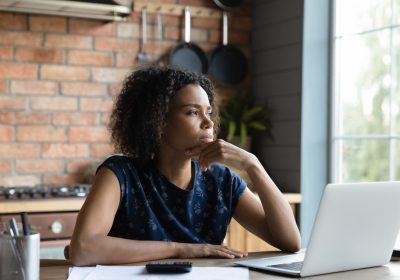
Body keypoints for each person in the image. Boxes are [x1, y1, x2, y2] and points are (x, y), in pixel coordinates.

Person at [69, 66, 301, 266]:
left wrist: (253, 164)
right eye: (192, 112)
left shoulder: (221, 180)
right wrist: (181, 249)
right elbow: (83, 249)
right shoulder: (120, 174)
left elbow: (291, 242)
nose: (209, 122)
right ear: (159, 122)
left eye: (208, 112)